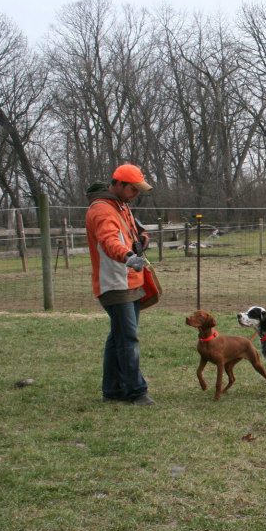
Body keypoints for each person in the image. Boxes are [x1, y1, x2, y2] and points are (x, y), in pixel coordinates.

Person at [85, 164, 155, 406]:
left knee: (118, 337)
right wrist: (128, 256)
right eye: (133, 189)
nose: (135, 194)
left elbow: (133, 232)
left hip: (129, 280)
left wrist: (141, 239)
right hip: (115, 282)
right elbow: (109, 241)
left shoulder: (121, 205)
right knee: (127, 339)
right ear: (118, 184)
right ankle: (136, 392)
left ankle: (113, 390)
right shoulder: (102, 210)